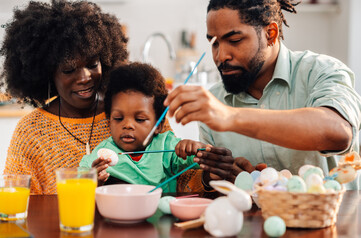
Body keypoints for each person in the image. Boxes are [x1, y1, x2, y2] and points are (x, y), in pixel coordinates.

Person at [1, 0, 234, 194]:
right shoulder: (31, 132)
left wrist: (206, 176)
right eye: (69, 70)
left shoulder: (133, 111)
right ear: (48, 74)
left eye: (92, 64)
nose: (84, 77)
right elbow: (18, 199)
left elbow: (179, 180)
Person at [164, 0, 361, 188]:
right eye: (214, 43)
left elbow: (338, 133)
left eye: (234, 40)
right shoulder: (214, 101)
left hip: (334, 219)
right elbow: (215, 184)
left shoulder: (320, 71)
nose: (221, 56)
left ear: (270, 34)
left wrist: (230, 117)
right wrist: (222, 174)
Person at [80, 62, 209, 192]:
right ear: (109, 122)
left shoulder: (166, 145)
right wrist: (92, 179)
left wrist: (195, 148)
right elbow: (78, 179)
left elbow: (204, 158)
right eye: (118, 119)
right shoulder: (102, 154)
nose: (128, 125)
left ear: (158, 125)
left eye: (140, 119)